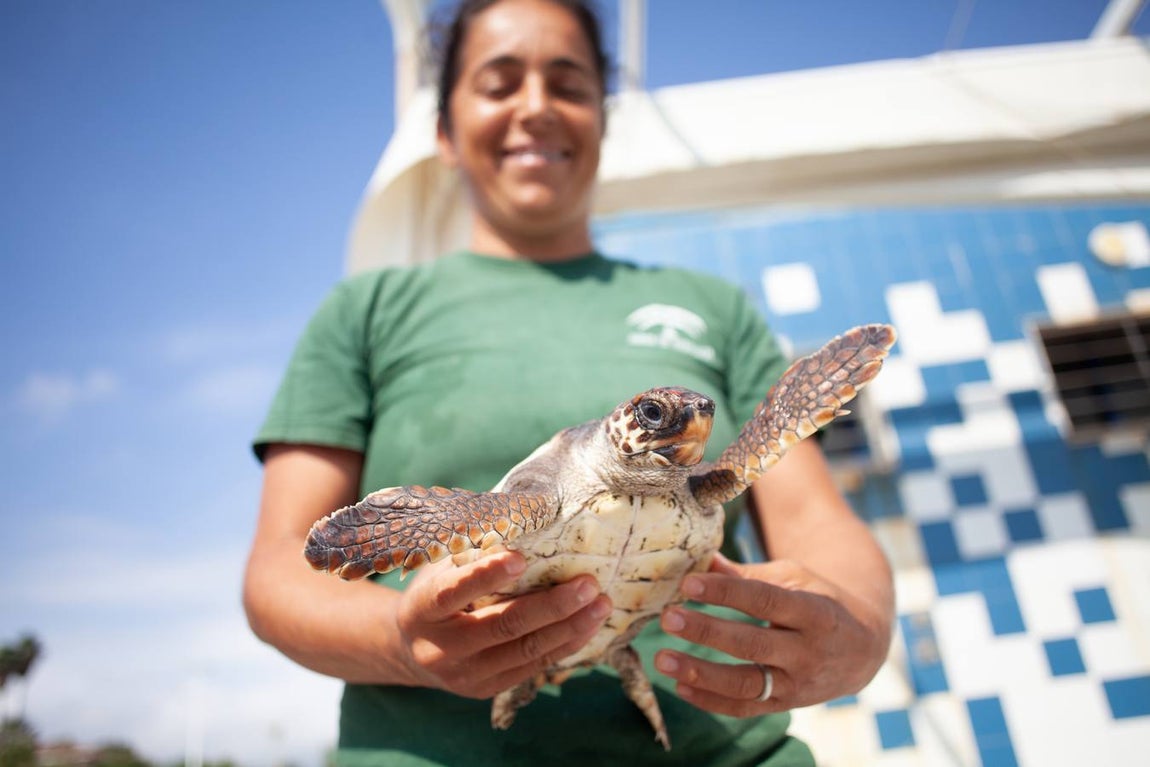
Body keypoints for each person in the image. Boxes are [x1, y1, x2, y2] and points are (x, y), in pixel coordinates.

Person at [242, 0, 894, 764]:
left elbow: (814, 516)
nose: (536, 107)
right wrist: (398, 638)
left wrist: (863, 629)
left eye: (569, 84)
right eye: (499, 83)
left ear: (602, 120)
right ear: (444, 130)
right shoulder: (370, 309)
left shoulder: (712, 305)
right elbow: (281, 566)